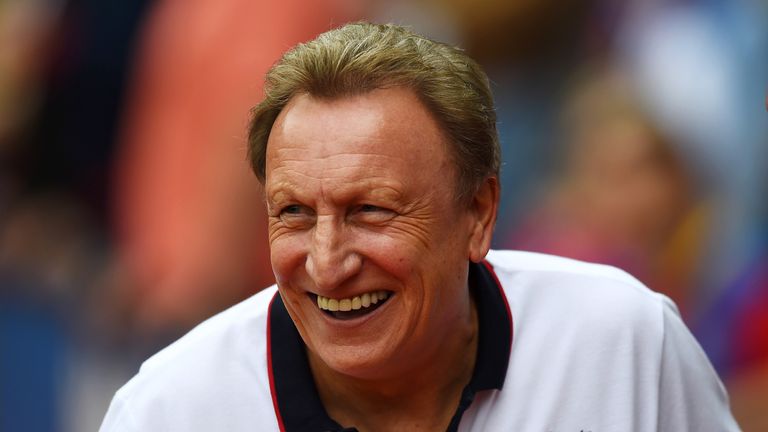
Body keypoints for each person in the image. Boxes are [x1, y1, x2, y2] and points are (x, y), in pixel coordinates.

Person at [100, 22, 739, 431]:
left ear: (479, 214)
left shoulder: (622, 341)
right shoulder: (169, 409)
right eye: (293, 213)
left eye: (370, 211)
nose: (326, 263)